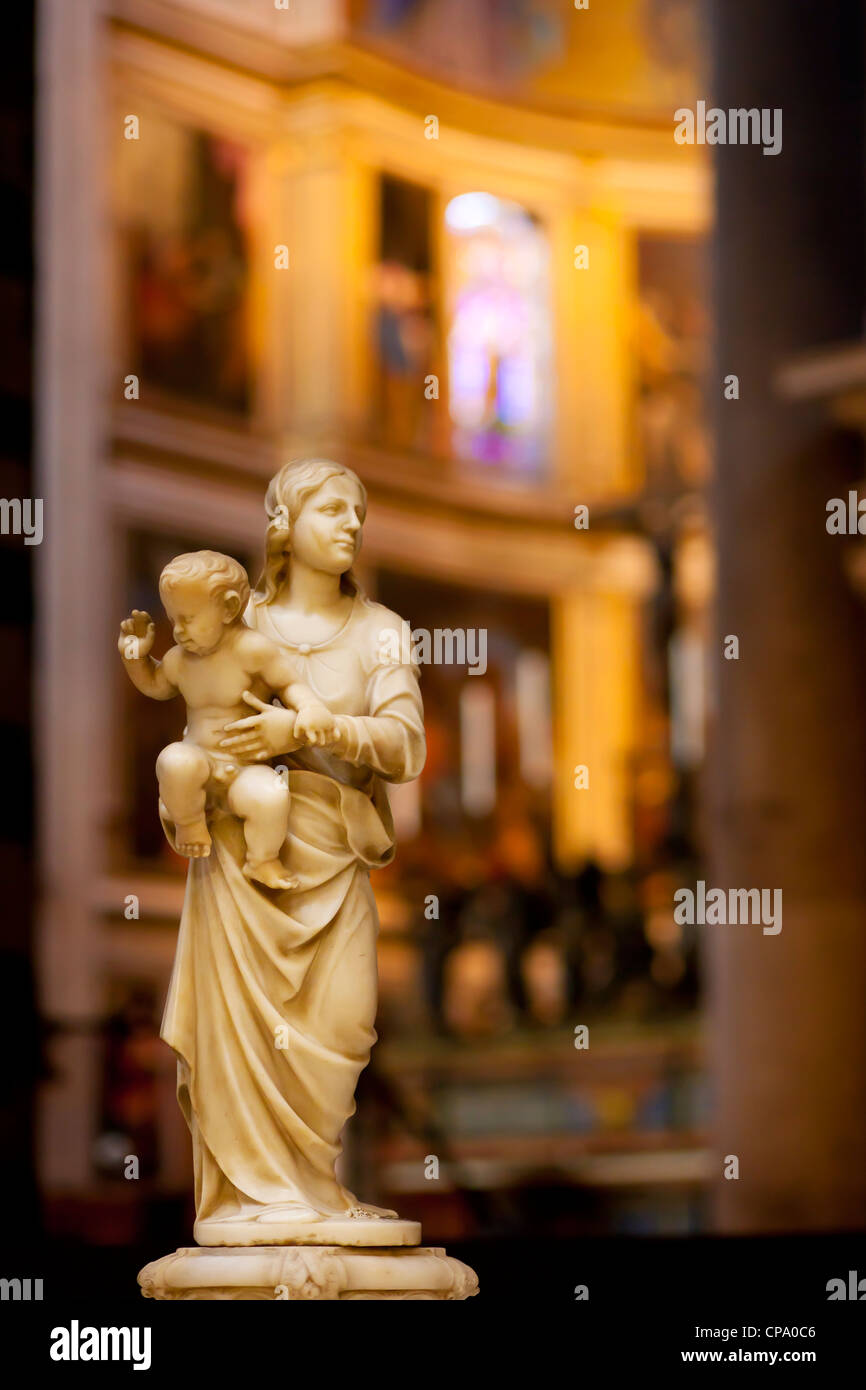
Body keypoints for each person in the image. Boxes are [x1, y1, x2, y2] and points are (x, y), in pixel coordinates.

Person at [155, 459, 426, 1241]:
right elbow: (191, 729)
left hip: (335, 855)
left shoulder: (381, 633)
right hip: (243, 867)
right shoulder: (238, 626)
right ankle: (260, 1207)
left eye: (358, 513)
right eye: (331, 510)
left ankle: (313, 1186)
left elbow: (405, 750)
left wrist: (305, 729)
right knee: (239, 1042)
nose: (351, 524)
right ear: (284, 526)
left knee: (345, 1028)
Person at [118, 550, 335, 891]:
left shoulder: (253, 650)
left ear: (230, 609)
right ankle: (190, 824)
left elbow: (290, 684)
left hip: (244, 770)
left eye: (188, 619)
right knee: (174, 760)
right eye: (174, 620)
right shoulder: (180, 660)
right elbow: (157, 686)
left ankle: (262, 859)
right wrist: (136, 657)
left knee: (272, 795)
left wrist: (309, 708)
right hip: (199, 767)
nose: (178, 631)